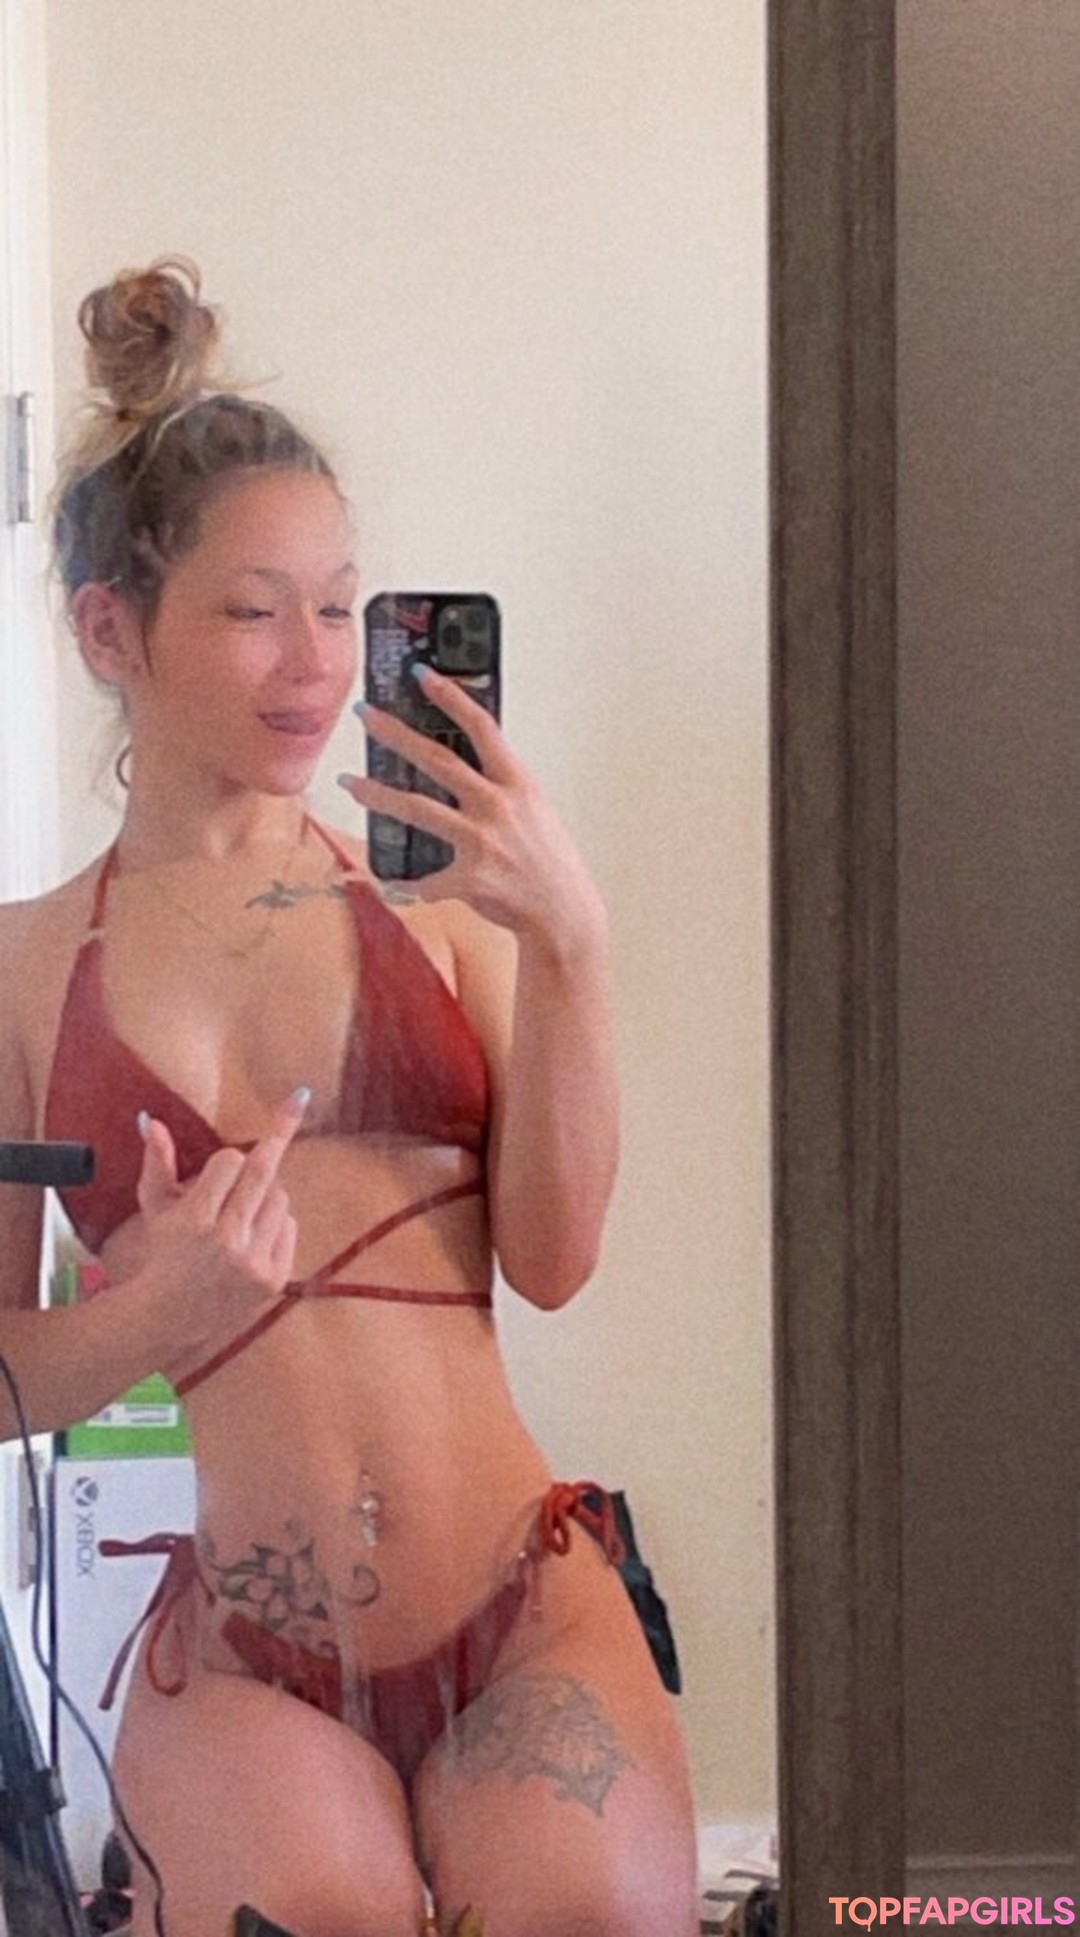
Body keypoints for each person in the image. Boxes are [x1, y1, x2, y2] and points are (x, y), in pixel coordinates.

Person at [0, 257, 697, 1937]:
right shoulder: (23, 971)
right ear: (110, 632)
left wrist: (575, 944)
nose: (315, 664)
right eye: (255, 610)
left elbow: (555, 1258)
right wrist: (150, 1311)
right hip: (256, 1661)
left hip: (519, 1611)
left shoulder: (439, 899)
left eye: (341, 606)